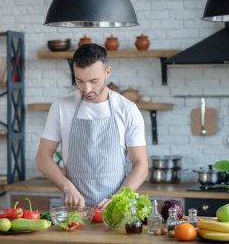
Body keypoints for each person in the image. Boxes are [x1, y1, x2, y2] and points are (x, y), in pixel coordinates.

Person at [36, 43, 148, 209]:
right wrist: (67, 187)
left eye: (93, 81)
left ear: (107, 72)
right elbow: (42, 157)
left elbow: (141, 165)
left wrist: (117, 199)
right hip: (75, 210)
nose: (86, 89)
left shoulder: (127, 110)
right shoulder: (61, 106)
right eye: (79, 81)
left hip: (116, 209)